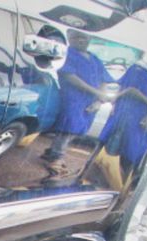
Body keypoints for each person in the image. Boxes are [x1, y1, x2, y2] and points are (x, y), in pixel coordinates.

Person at [42, 30, 114, 170]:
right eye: (76, 37)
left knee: (77, 129)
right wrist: (96, 92)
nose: (80, 40)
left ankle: (52, 152)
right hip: (72, 99)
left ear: (89, 38)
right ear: (69, 38)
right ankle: (56, 157)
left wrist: (98, 101)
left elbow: (105, 80)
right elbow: (69, 77)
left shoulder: (94, 59)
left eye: (83, 37)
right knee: (68, 128)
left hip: (90, 103)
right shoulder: (68, 54)